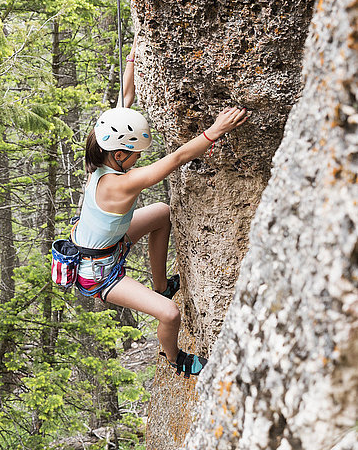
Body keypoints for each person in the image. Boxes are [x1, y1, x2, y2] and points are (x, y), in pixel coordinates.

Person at [72, 34, 248, 378]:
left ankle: (159, 285)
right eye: (136, 154)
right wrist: (215, 130)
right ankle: (174, 358)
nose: (140, 158)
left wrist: (133, 60)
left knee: (162, 214)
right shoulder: (120, 183)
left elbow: (124, 99)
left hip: (104, 245)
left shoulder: (102, 154)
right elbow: (177, 158)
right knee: (169, 314)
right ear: (120, 155)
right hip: (97, 273)